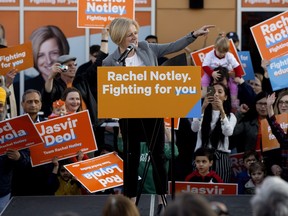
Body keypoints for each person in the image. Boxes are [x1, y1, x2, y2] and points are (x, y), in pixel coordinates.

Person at [102, 17, 214, 213]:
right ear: (119, 37)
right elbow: (109, 90)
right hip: (129, 114)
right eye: (130, 34)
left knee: (159, 155)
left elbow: (171, 46)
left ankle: (163, 198)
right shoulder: (109, 61)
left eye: (135, 32)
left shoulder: (146, 48)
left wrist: (193, 35)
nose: (135, 37)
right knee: (131, 157)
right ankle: (130, 200)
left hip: (153, 110)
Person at [42, 28, 109, 149]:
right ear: (61, 68)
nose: (73, 67)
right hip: (67, 132)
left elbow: (101, 60)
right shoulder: (56, 84)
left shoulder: (82, 80)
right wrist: (51, 76)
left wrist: (104, 37)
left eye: (74, 65)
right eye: (69, 66)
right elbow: (48, 94)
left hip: (90, 126)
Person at [14, 25, 70, 115]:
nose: (48, 61)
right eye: (41, 55)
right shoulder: (21, 87)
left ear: (63, 52)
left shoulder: (71, 82)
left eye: (54, 53)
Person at [192, 83, 236, 183]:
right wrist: (203, 107)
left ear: (225, 97)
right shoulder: (198, 111)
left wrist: (222, 111)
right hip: (201, 156)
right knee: (199, 189)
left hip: (220, 157)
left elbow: (228, 132)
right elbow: (194, 129)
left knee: (220, 190)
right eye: (213, 91)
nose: (216, 94)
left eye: (220, 92)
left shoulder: (231, 116)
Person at [11, 89, 52, 196]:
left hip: (44, 181)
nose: (33, 105)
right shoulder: (13, 126)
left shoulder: (49, 125)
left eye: (36, 101)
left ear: (41, 104)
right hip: (21, 182)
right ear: (22, 104)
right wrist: (19, 158)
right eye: (29, 102)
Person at [0, 87, 30, 213]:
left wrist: (19, 157)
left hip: (3, 192)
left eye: (0, 105)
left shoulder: (14, 128)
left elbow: (26, 160)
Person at [201, 35, 243, 111]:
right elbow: (204, 66)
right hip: (212, 73)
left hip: (226, 74)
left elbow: (237, 66)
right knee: (204, 80)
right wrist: (212, 73)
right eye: (220, 52)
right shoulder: (209, 55)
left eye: (224, 52)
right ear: (215, 48)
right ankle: (207, 96)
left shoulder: (229, 56)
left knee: (233, 85)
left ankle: (234, 102)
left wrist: (238, 76)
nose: (221, 54)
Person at [266, 91, 288, 180]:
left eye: (287, 102)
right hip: (278, 177)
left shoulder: (271, 122)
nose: (283, 105)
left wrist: (269, 110)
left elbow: (283, 140)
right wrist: (272, 164)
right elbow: (267, 153)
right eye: (281, 102)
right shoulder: (266, 124)